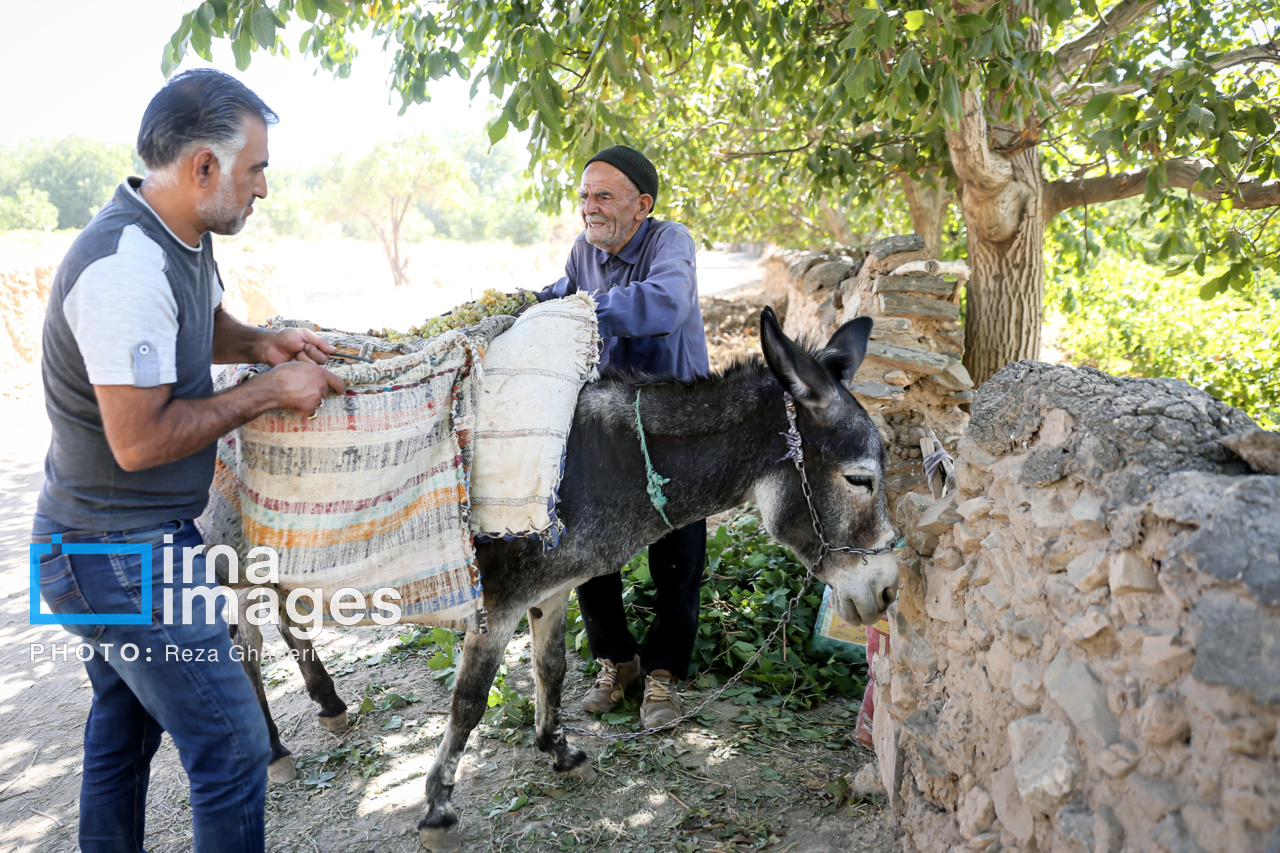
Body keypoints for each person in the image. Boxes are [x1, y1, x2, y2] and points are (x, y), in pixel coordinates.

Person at [32, 69, 345, 853]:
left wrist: (255, 343)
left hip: (115, 542)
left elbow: (196, 327)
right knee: (235, 747)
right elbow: (139, 441)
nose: (263, 189)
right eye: (254, 170)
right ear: (203, 167)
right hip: (114, 552)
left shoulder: (178, 236)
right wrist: (268, 389)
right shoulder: (123, 267)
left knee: (123, 732)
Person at [539, 144, 710, 730]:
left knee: (677, 549)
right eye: (584, 196)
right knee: (589, 544)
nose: (589, 207)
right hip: (609, 423)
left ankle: (663, 670)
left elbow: (666, 303)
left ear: (641, 205)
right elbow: (559, 295)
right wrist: (525, 309)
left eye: (603, 195)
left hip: (674, 421)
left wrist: (584, 310)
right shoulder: (582, 254)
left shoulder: (670, 242)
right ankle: (618, 660)